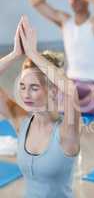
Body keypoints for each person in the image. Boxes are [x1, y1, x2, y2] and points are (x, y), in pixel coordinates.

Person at [0, 16, 80, 198]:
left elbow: (71, 92)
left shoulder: (67, 130)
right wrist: (15, 53)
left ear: (52, 90)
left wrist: (33, 53)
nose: (25, 94)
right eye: (22, 86)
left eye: (34, 87)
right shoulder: (21, 121)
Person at [29, 0, 94, 114]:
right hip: (73, 84)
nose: (75, 1)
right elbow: (35, 2)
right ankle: (83, 105)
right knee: (52, 92)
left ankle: (74, 107)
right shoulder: (65, 21)